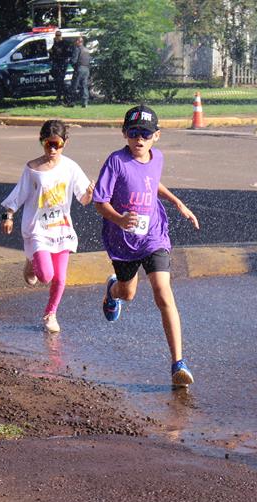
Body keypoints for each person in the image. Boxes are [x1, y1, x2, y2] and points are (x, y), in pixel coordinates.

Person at [93, 105, 200, 386]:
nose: (139, 139)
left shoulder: (158, 158)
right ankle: (111, 291)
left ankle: (178, 363)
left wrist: (177, 202)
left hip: (154, 236)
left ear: (157, 136)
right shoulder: (116, 161)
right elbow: (99, 201)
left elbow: (152, 184)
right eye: (133, 133)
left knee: (163, 292)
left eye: (145, 134)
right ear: (124, 133)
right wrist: (119, 218)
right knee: (127, 294)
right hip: (123, 240)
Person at [1, 119, 95, 334]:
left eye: (57, 144)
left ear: (65, 143)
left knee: (60, 277)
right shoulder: (32, 169)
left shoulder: (71, 167)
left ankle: (50, 314)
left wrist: (90, 193)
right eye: (48, 144)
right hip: (38, 230)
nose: (53, 149)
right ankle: (31, 259)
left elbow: (84, 199)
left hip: (62, 230)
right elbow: (16, 197)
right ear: (41, 142)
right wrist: (7, 216)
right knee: (44, 276)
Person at [49, 30, 71, 105]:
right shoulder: (55, 43)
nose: (57, 37)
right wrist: (51, 52)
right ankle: (59, 97)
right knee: (58, 82)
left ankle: (65, 97)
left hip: (62, 65)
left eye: (58, 35)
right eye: (56, 35)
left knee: (60, 82)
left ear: (61, 36)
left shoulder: (65, 43)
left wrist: (57, 51)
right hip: (56, 65)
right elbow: (53, 54)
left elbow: (66, 53)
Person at [69, 36, 91, 108]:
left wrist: (73, 66)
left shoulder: (77, 49)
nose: (75, 43)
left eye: (75, 41)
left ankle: (72, 102)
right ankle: (85, 102)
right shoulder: (86, 50)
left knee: (74, 86)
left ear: (78, 41)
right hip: (86, 69)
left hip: (79, 69)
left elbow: (73, 61)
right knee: (84, 86)